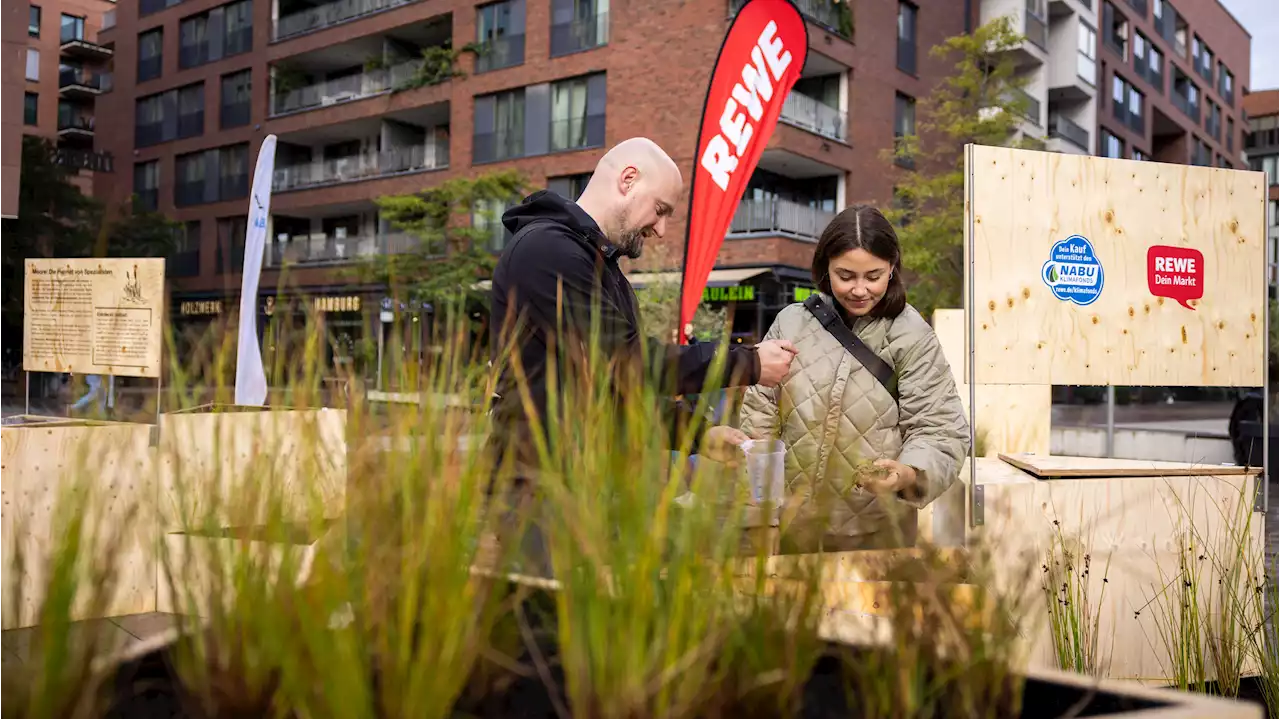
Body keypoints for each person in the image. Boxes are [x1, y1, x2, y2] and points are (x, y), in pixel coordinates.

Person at [487, 137, 798, 568]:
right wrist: (750, 362)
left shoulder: (603, 269)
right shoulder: (547, 252)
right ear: (628, 180)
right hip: (539, 493)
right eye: (662, 210)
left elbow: (617, 392)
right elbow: (627, 363)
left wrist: (697, 434)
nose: (661, 229)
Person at [738, 205, 968, 553]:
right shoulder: (791, 323)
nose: (860, 290)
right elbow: (760, 415)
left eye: (873, 276)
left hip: (877, 534)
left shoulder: (912, 336)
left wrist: (909, 473)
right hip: (791, 528)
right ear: (824, 269)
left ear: (892, 268)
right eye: (845, 276)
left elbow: (940, 429)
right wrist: (760, 503)